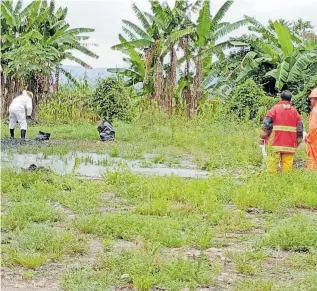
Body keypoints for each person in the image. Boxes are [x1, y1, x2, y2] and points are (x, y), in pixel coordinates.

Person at [259, 90, 303, 173]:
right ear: (291, 99)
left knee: (272, 163)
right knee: (287, 165)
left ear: (280, 98)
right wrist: (298, 141)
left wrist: (262, 137)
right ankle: (286, 181)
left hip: (274, 143)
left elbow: (266, 125)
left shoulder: (274, 109)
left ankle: (271, 181)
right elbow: (300, 129)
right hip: (289, 144)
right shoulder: (295, 112)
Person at [305, 87, 317, 171]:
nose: (311, 101)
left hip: (314, 141)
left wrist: (308, 138)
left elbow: (313, 128)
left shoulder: (315, 111)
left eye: (311, 99)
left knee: (313, 161)